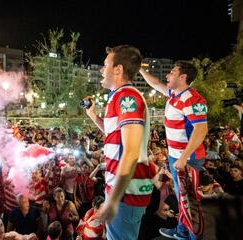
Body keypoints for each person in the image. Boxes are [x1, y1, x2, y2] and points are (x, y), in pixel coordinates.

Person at [85, 45, 155, 240]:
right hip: (120, 189)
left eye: (105, 64)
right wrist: (93, 116)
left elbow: (131, 151)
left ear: (118, 69)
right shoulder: (118, 96)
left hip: (125, 192)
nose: (101, 69)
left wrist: (113, 201)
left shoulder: (127, 97)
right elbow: (113, 133)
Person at [140, 60, 208, 239]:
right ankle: (182, 231)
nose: (167, 75)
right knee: (181, 198)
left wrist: (184, 158)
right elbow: (155, 83)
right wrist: (139, 68)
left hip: (188, 159)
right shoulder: (174, 95)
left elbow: (201, 129)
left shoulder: (193, 99)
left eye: (172, 72)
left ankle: (194, 236)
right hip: (176, 157)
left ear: (183, 77)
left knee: (189, 201)